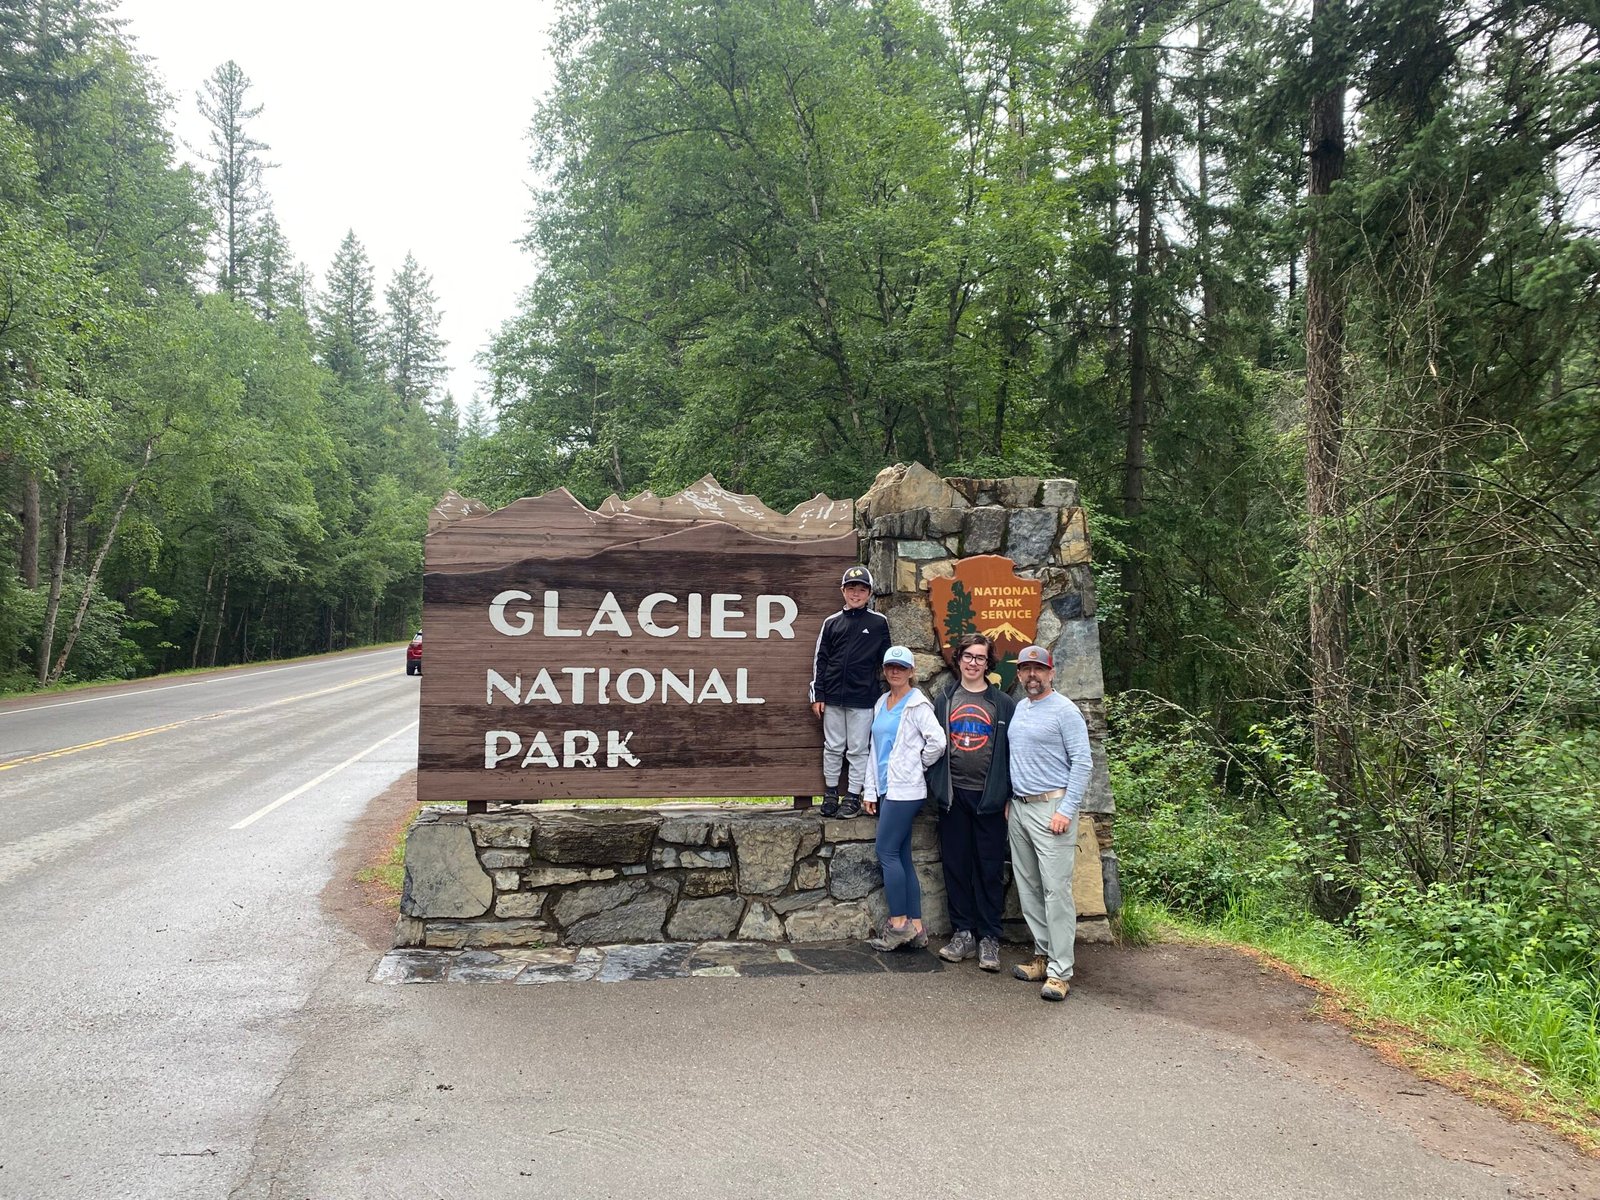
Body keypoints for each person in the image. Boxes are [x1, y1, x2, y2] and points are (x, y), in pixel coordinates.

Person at [1006, 644, 1092, 1002]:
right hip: (1021, 809)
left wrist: (1066, 809)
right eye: (1026, 669)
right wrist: (1013, 800)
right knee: (1029, 888)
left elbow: (1083, 763)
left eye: (1038, 669)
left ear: (1051, 673)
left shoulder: (1065, 711)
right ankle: (1042, 956)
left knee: (1056, 892)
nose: (1031, 676)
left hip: (1052, 808)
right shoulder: (1021, 708)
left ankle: (1060, 972)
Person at [925, 633, 1015, 973]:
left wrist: (1007, 794)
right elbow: (931, 746)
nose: (974, 662)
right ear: (958, 659)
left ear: (988, 663)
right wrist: (937, 787)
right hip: (953, 797)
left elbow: (1013, 754)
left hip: (989, 799)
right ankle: (962, 932)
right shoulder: (944, 699)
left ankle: (989, 937)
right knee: (956, 866)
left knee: (989, 869)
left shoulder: (1002, 703)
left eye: (980, 657)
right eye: (968, 656)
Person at [862, 645, 947, 951]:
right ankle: (918, 927)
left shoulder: (918, 705)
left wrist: (917, 765)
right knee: (902, 857)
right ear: (885, 671)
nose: (895, 671)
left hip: (906, 790)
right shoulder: (882, 702)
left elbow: (938, 742)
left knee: (886, 852)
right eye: (890, 667)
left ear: (912, 671)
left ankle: (898, 925)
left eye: (901, 667)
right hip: (887, 789)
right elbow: (875, 751)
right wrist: (870, 790)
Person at [809, 564, 891, 818]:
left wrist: (888, 696)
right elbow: (820, 660)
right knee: (833, 747)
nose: (856, 594)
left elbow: (886, 661)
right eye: (851, 589)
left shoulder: (878, 623)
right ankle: (831, 792)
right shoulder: (832, 622)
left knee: (858, 749)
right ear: (843, 591)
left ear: (869, 594)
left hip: (863, 699)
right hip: (833, 697)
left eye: (862, 590)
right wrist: (818, 695)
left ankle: (853, 795)